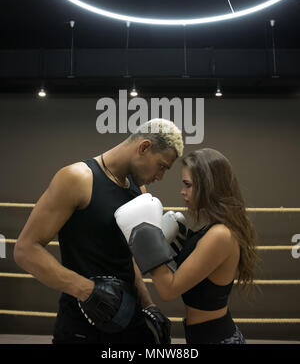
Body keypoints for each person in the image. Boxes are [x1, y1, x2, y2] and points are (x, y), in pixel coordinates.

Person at [13, 118, 184, 345]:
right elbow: (25, 250)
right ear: (144, 147)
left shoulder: (138, 189)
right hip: (82, 325)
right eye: (162, 165)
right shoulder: (77, 179)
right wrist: (86, 290)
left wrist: (148, 305)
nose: (160, 176)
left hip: (128, 318)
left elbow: (127, 257)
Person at [115, 148, 259, 344]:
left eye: (188, 185)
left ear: (209, 186)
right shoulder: (211, 229)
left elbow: (168, 290)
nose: (182, 191)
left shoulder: (220, 235)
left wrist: (146, 238)